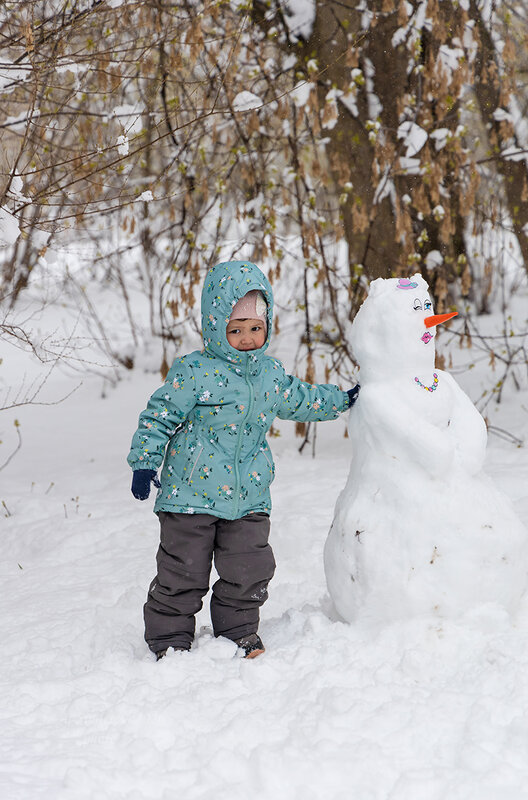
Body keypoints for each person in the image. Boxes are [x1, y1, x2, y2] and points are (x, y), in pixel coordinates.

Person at [127, 260, 360, 660]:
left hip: (248, 495)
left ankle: (237, 630)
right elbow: (159, 414)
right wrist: (145, 461)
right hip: (189, 496)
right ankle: (168, 639)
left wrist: (341, 400)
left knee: (249, 569)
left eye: (256, 328)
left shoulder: (269, 374)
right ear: (216, 326)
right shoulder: (195, 371)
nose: (248, 338)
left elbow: (299, 399)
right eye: (236, 330)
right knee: (182, 572)